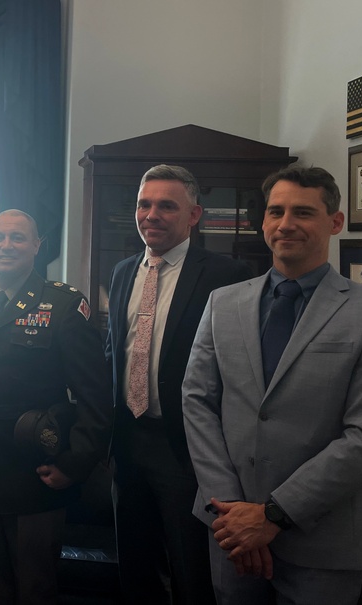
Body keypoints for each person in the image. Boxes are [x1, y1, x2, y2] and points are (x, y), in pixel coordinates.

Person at [183, 166, 362, 605]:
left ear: (335, 222)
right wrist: (234, 514)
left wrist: (273, 515)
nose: (286, 224)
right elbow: (197, 402)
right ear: (263, 221)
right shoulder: (223, 303)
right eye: (276, 211)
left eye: (303, 212)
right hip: (230, 532)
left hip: (323, 541)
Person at [0, 209, 113, 605]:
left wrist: (74, 464)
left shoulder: (65, 305)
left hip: (35, 470)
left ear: (37, 246)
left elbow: (95, 396)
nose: (6, 246)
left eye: (17, 238)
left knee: (35, 589)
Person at [106, 165, 251, 604]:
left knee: (192, 571)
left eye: (167, 206)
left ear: (194, 215)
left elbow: (238, 369)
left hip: (185, 450)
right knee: (134, 567)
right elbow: (116, 353)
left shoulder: (227, 275)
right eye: (144, 204)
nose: (152, 214)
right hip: (127, 443)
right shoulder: (122, 271)